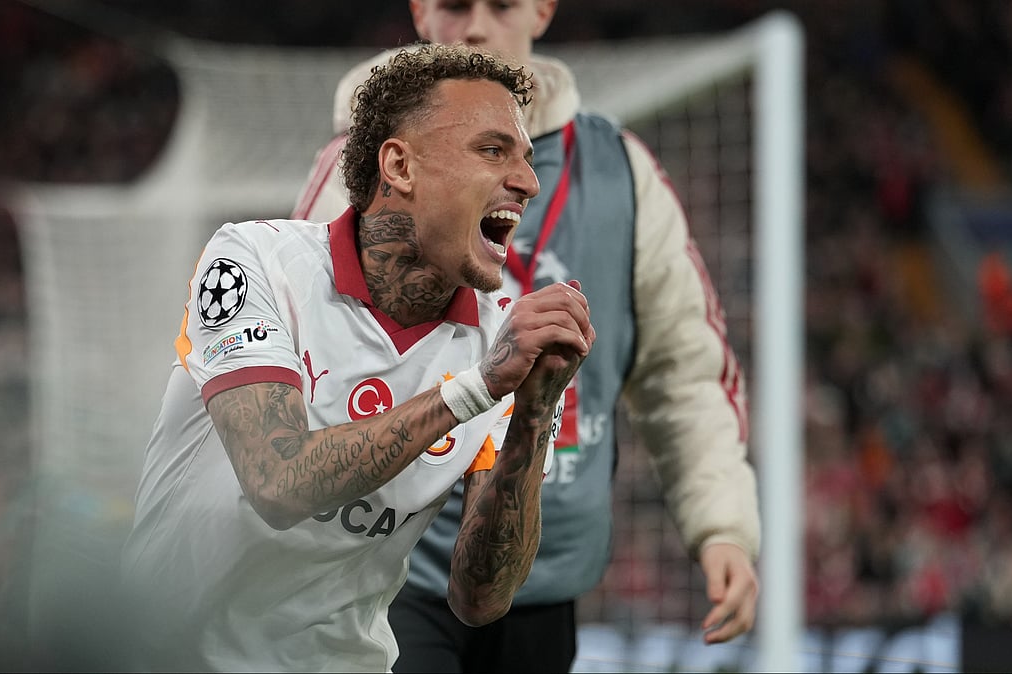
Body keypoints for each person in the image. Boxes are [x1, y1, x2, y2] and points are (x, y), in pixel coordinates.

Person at [292, 2, 760, 672]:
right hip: (393, 569)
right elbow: (313, 352)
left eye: (501, 4)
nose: (476, 26)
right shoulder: (360, 169)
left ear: (541, 9)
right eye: (455, 5)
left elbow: (683, 371)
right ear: (422, 12)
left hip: (545, 569)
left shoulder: (621, 174)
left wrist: (723, 528)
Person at [119, 42, 597, 672]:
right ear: (399, 165)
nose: (528, 182)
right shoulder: (254, 262)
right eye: (492, 150)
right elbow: (279, 483)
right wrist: (477, 390)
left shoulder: (495, 339)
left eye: (528, 160)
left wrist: (536, 409)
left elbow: (481, 598)